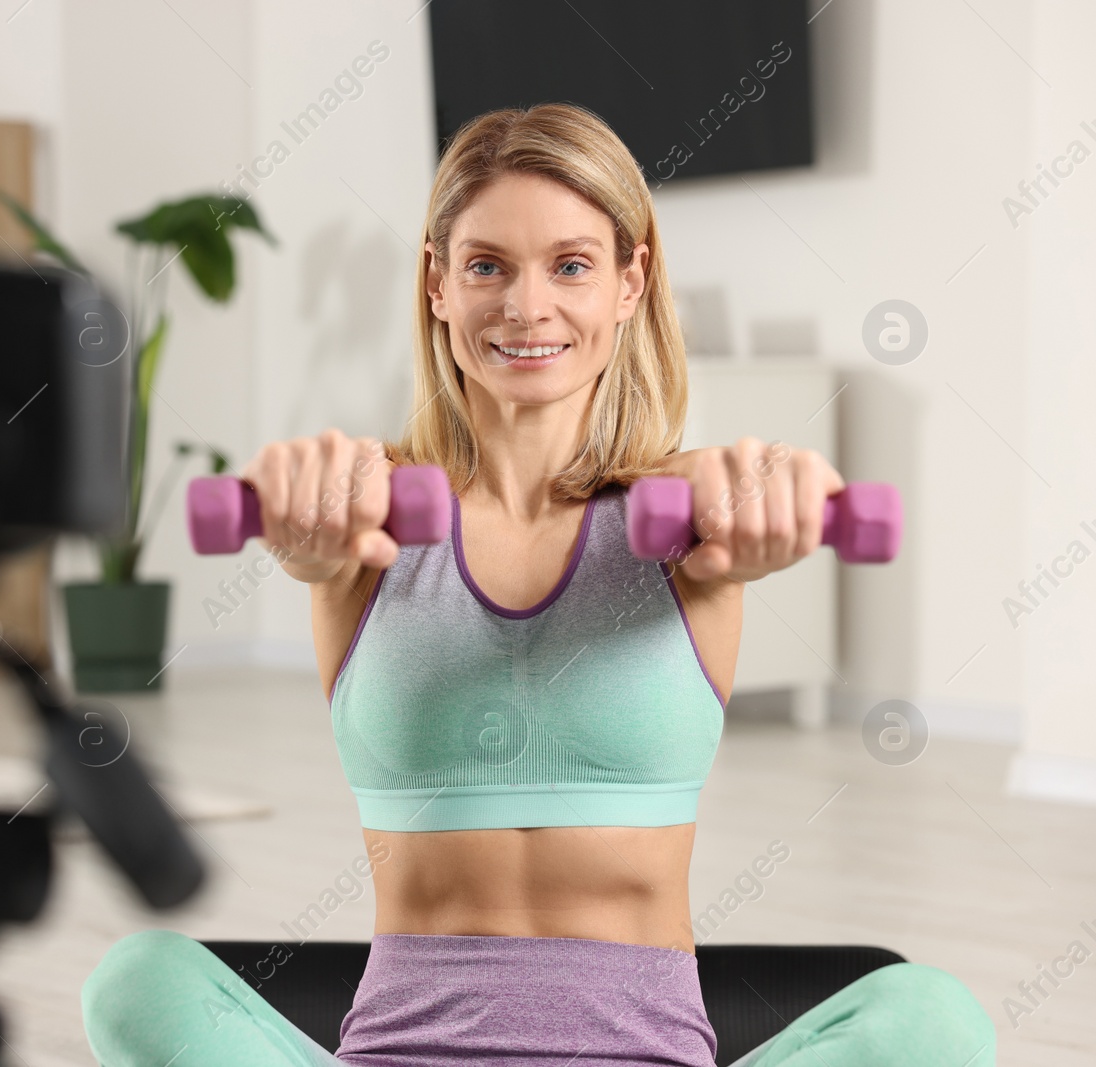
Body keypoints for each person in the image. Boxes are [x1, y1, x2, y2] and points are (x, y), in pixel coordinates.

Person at [80, 104, 995, 1066]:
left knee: (932, 1014)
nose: (526, 306)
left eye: (570, 265)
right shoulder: (368, 526)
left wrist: (778, 488)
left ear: (630, 280)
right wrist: (298, 495)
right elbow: (311, 546)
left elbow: (728, 507)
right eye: (486, 266)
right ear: (436, 283)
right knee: (139, 979)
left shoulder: (681, 521)